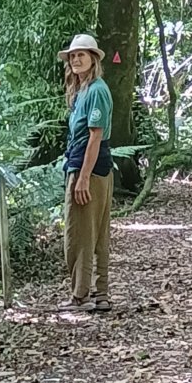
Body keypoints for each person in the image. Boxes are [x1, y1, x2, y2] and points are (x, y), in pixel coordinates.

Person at [59, 32, 114, 312]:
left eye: (82, 55)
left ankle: (82, 294)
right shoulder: (81, 91)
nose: (76, 59)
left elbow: (95, 136)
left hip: (88, 166)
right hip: (86, 163)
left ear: (93, 59)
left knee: (79, 233)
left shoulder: (96, 90)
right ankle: (98, 293)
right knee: (94, 231)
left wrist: (82, 177)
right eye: (73, 56)